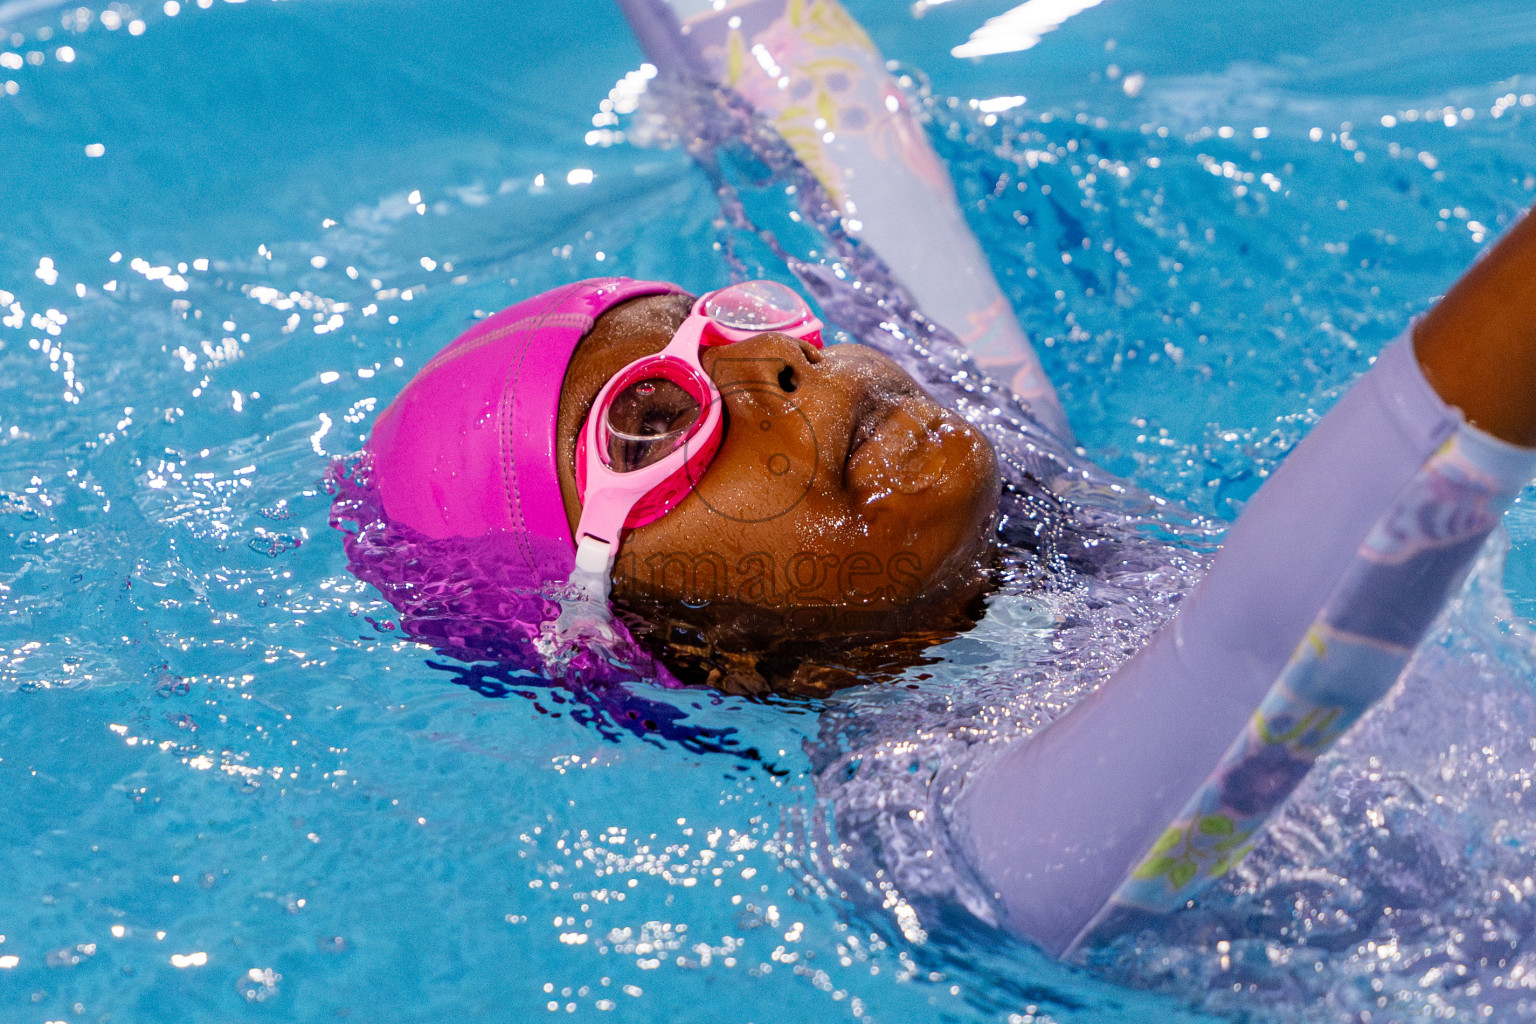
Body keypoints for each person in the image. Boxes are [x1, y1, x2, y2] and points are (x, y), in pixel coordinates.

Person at [337, 0, 1536, 958]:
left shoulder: (1015, 478)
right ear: (620, 634)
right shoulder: (945, 836)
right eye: (656, 423)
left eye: (729, 329)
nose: (782, 369)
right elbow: (1269, 647)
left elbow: (826, 136)